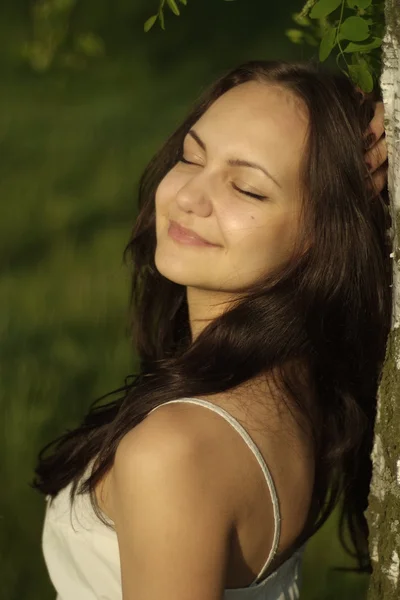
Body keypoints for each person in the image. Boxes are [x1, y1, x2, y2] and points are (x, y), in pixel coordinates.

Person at [33, 59, 390, 600]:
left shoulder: (175, 451)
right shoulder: (294, 380)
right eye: (190, 156)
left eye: (247, 188)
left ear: (324, 232)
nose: (188, 197)